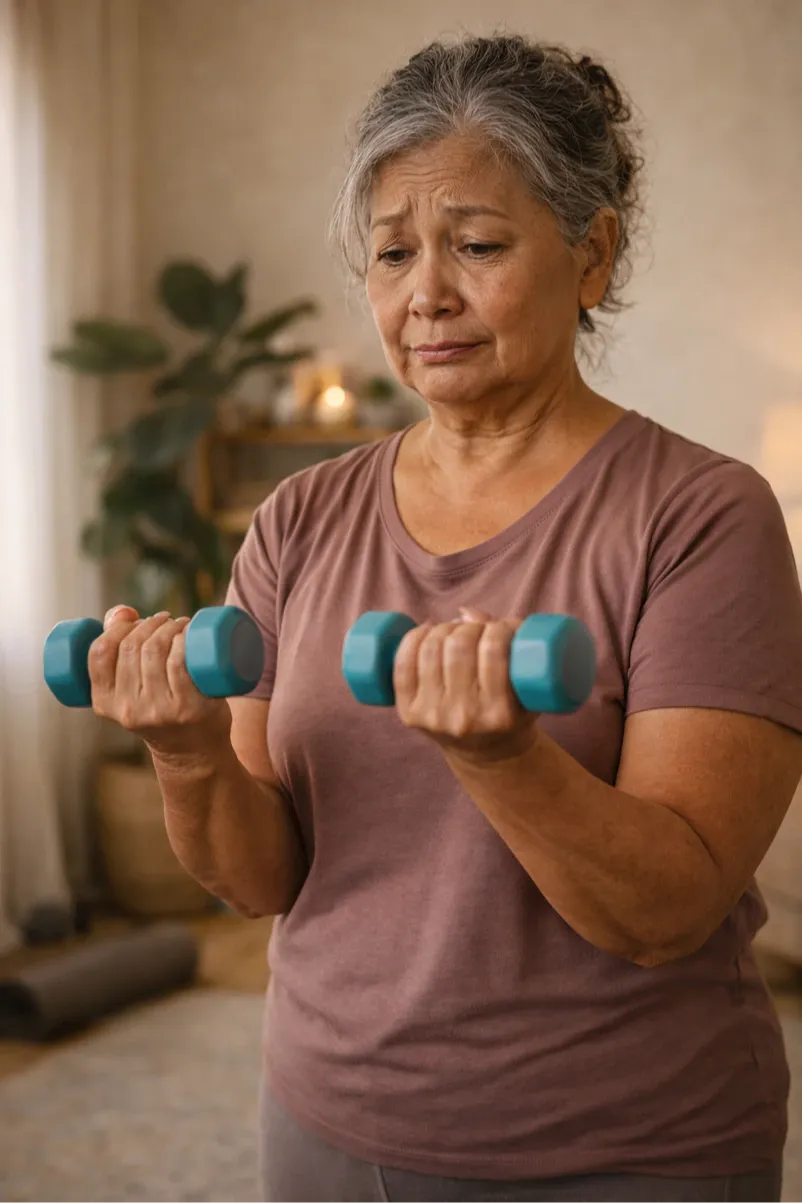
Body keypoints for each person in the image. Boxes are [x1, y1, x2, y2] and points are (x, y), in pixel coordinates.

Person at [88, 33, 802, 1203]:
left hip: (623, 1148)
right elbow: (263, 876)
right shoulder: (301, 516)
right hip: (324, 1116)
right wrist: (183, 751)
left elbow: (667, 911)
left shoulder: (700, 516)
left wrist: (501, 755)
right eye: (390, 252)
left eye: (475, 245)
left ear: (591, 253)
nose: (426, 294)